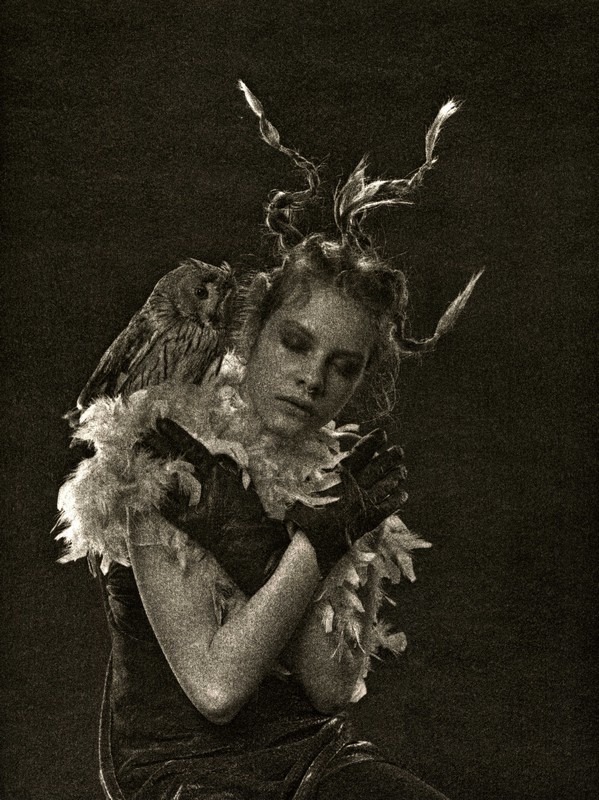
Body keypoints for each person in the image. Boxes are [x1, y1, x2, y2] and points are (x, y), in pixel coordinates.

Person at [56, 85, 480, 800]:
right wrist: (302, 545)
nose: (314, 379)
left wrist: (314, 536)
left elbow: (330, 687)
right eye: (296, 343)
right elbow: (217, 689)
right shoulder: (164, 447)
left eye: (344, 366)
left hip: (312, 759)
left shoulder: (342, 479)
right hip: (183, 771)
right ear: (251, 332)